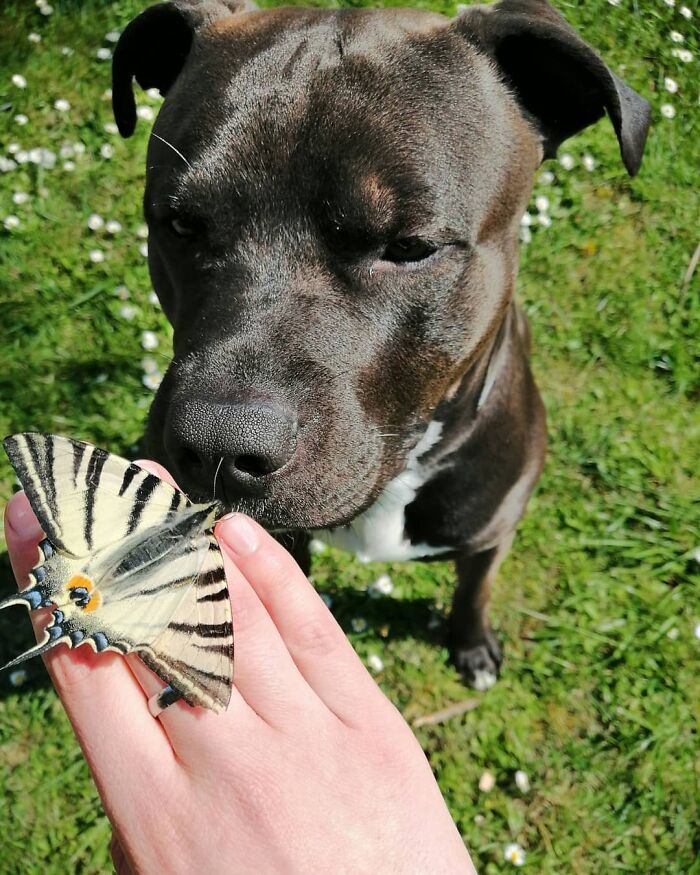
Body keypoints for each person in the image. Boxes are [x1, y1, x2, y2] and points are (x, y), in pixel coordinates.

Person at [4, 459, 476, 875]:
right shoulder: (208, 561)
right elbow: (200, 648)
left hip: (97, 553)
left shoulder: (163, 507)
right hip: (139, 597)